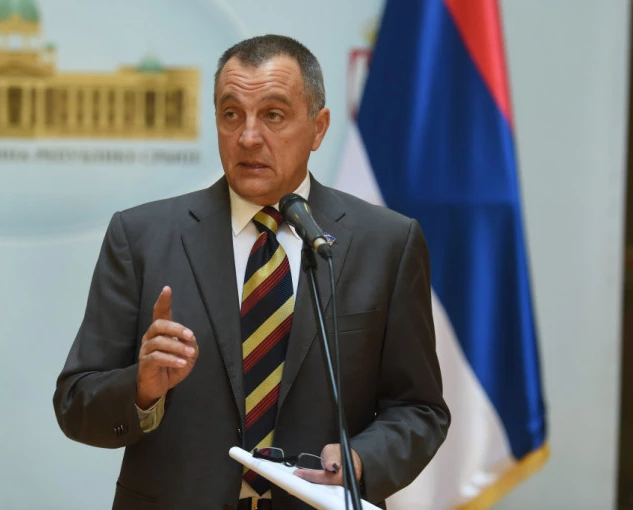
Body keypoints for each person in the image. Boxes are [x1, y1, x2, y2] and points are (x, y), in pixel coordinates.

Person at [53, 34, 450, 510]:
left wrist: (361, 460)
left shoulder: (386, 243)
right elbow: (76, 404)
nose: (247, 137)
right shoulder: (141, 237)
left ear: (318, 128)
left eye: (273, 115)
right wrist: (142, 388)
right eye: (231, 114)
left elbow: (419, 408)